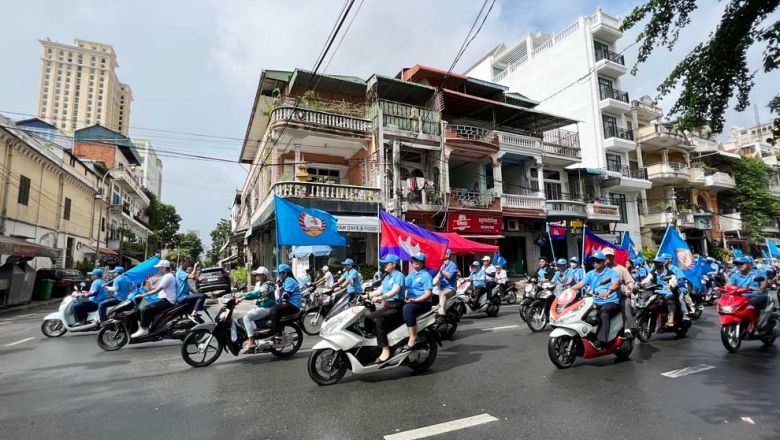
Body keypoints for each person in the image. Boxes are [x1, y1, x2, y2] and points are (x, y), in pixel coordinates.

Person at [567, 252, 620, 350]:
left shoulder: (612, 273)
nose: (595, 263)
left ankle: (601, 341)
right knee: (581, 315)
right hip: (594, 302)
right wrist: (569, 290)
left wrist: (609, 291)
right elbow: (580, 284)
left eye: (598, 261)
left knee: (603, 314)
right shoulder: (590, 273)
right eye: (593, 261)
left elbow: (615, 284)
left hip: (610, 302)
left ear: (604, 262)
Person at [367, 254, 406, 363]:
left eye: (386, 263)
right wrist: (367, 295)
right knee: (368, 318)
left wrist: (380, 298)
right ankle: (375, 344)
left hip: (397, 306)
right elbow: (380, 290)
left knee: (378, 320)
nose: (383, 265)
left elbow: (395, 290)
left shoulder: (399, 275)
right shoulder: (387, 276)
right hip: (388, 305)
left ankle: (385, 349)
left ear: (393, 264)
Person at [131, 260, 177, 338]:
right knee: (141, 306)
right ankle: (147, 324)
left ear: (164, 268)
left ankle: (144, 329)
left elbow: (157, 290)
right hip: (162, 299)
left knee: (145, 309)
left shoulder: (168, 277)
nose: (158, 269)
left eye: (159, 268)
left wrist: (143, 295)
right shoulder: (167, 276)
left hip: (167, 301)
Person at [236, 266, 276, 353]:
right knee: (241, 318)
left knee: (247, 317)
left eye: (258, 274)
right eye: (256, 274)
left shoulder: (269, 284)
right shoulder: (259, 284)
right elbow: (252, 293)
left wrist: (243, 298)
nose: (256, 276)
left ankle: (251, 340)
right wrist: (241, 295)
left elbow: (258, 294)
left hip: (267, 308)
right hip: (260, 307)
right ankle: (250, 336)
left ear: (264, 276)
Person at [727, 256, 770, 332]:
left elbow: (764, 284)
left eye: (741, 263)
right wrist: (722, 289)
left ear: (748, 264)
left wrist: (760, 288)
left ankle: (755, 325)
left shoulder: (759, 273)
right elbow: (728, 286)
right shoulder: (735, 275)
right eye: (737, 264)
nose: (739, 265)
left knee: (751, 303)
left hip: (757, 295)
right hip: (741, 297)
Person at [602, 248, 637, 337]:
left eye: (610, 256)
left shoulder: (621, 269)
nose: (608, 258)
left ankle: (627, 329)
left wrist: (630, 288)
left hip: (620, 296)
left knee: (626, 305)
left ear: (614, 257)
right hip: (602, 297)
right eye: (606, 256)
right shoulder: (598, 270)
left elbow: (630, 282)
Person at [402, 253, 433, 351]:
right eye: (413, 260)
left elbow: (428, 294)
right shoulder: (411, 275)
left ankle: (413, 336)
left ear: (422, 263)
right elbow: (402, 286)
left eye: (417, 260)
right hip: (411, 300)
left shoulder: (426, 275)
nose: (414, 262)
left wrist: (416, 300)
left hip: (423, 303)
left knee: (408, 308)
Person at [266, 264, 302, 345]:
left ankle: (277, 334)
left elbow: (285, 295)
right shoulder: (285, 281)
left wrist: (280, 291)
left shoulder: (289, 281)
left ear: (285, 273)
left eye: (280, 273)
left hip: (293, 305)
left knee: (274, 310)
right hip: (288, 303)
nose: (278, 275)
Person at [641, 257, 680, 327]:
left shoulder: (669, 272)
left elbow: (673, 281)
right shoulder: (653, 272)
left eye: (657, 263)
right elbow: (647, 279)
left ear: (662, 264)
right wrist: (642, 283)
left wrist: (670, 285)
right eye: (655, 263)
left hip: (666, 292)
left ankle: (671, 318)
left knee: (670, 298)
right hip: (655, 291)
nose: (656, 264)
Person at [661, 253, 692, 320]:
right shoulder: (661, 270)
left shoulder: (676, 269)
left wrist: (676, 285)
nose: (662, 260)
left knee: (680, 299)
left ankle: (685, 314)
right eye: (662, 259)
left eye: (664, 259)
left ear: (669, 260)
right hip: (664, 289)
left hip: (677, 288)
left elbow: (680, 280)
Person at [175, 257, 206, 321]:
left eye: (188, 262)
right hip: (182, 297)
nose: (188, 264)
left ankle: (193, 313)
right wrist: (195, 267)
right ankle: (194, 313)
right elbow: (192, 276)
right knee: (202, 296)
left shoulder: (182, 272)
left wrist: (196, 293)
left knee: (199, 296)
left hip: (185, 296)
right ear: (182, 263)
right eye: (187, 262)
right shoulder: (180, 272)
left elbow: (188, 287)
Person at [434, 249, 458, 321]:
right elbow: (437, 279)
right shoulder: (440, 265)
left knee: (442, 294)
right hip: (440, 288)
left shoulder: (452, 265)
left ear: (448, 255)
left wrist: (441, 270)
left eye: (443, 253)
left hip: (450, 288)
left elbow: (449, 276)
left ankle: (441, 315)